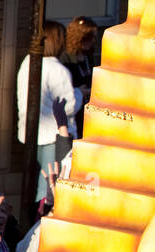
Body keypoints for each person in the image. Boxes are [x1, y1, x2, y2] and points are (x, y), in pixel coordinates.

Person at [16, 20, 82, 204]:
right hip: (54, 137)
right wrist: (79, 93)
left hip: (31, 134)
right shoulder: (58, 70)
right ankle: (41, 221)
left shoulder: (28, 62)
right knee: (49, 184)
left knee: (37, 182)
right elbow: (68, 106)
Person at [59, 16, 98, 137]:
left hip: (87, 109)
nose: (91, 41)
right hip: (74, 109)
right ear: (78, 37)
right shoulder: (66, 58)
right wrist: (80, 91)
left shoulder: (88, 55)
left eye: (93, 38)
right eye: (88, 38)